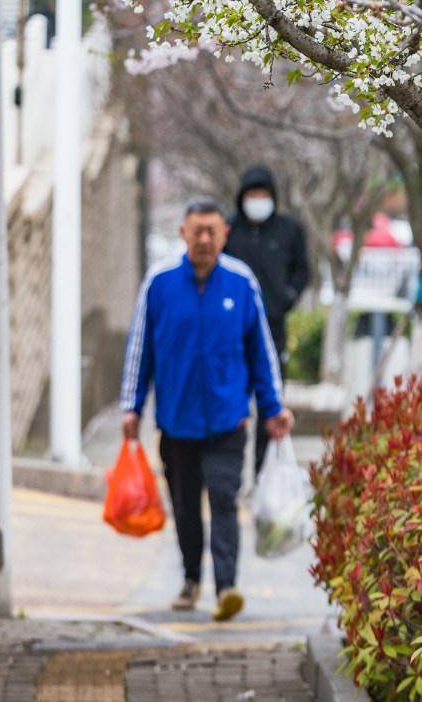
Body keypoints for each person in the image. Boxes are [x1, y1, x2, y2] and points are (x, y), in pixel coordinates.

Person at [120, 197, 293, 618]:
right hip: (176, 422)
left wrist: (274, 407)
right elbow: (140, 350)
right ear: (183, 233)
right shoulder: (159, 283)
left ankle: (227, 586)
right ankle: (191, 579)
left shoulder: (241, 282)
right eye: (196, 231)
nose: (204, 239)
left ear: (224, 235)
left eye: (212, 231)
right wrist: (132, 405)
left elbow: (261, 352)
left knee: (222, 498)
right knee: (185, 507)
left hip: (227, 420)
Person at [225, 165, 310, 475]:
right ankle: (230, 467)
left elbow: (303, 270)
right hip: (232, 330)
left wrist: (287, 297)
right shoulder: (229, 229)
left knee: (270, 399)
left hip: (273, 326)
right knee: (234, 399)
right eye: (252, 195)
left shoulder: (289, 229)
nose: (257, 200)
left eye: (263, 194)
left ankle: (263, 472)